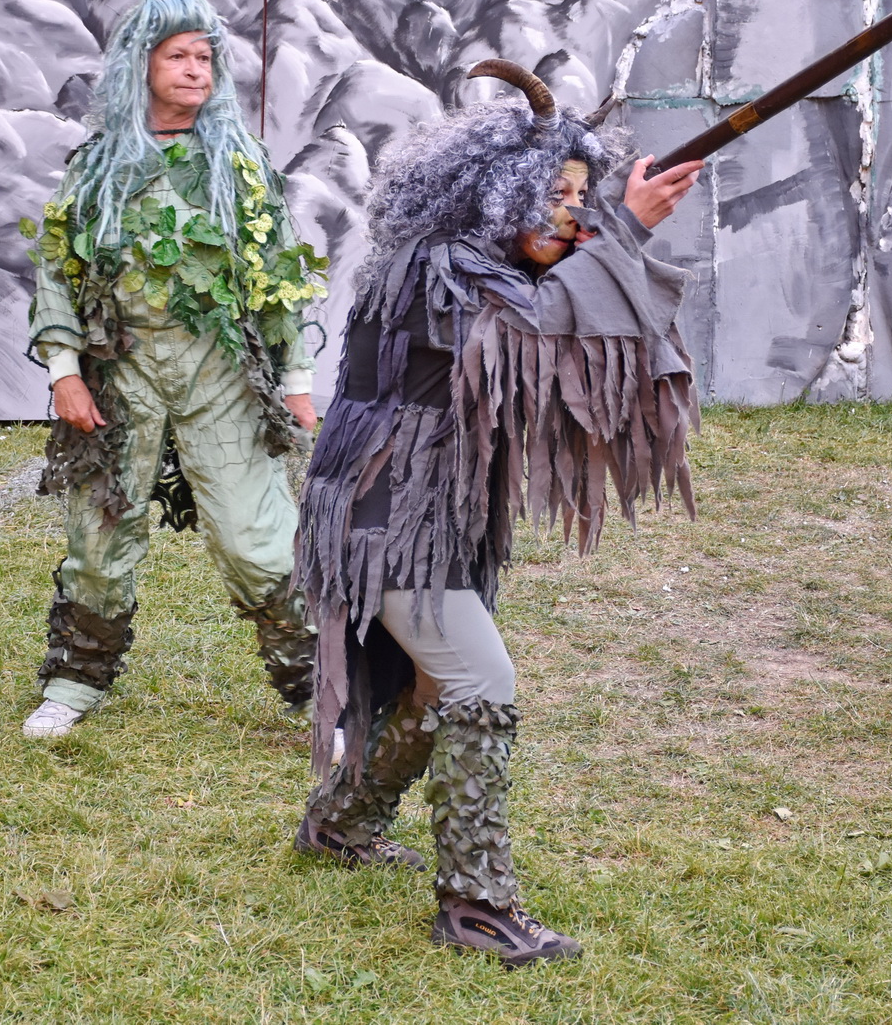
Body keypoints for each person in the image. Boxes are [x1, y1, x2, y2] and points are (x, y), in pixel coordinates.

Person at [291, 59, 705, 966]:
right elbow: (530, 331)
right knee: (481, 682)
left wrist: (613, 227)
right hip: (385, 516)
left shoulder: (468, 262)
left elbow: (552, 309)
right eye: (555, 194)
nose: (574, 214)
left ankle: (339, 824)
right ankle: (476, 907)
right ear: (493, 190)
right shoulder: (437, 270)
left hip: (424, 511)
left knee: (435, 683)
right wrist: (627, 230)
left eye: (581, 196)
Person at [20, 0, 325, 739]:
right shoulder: (98, 166)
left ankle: (323, 690)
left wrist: (295, 381)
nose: (195, 71)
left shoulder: (238, 165)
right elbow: (57, 268)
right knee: (99, 533)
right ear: (141, 65)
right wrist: (64, 370)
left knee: (257, 540)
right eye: (178, 57)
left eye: (205, 58)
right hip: (119, 376)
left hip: (219, 374)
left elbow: (277, 275)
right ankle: (75, 681)